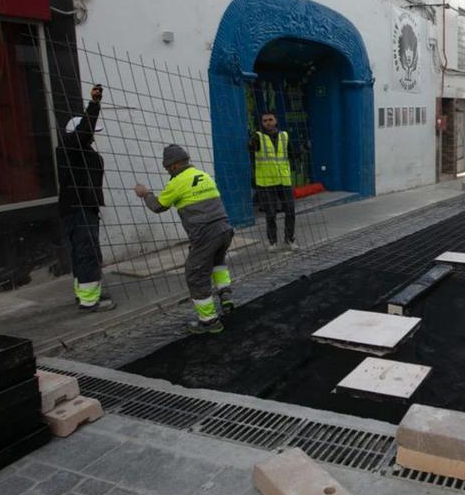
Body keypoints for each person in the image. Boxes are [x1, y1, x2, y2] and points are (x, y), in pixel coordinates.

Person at [134, 145, 234, 334]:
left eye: (167, 168)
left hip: (206, 234)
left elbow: (158, 206)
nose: (167, 172)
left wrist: (145, 193)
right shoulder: (203, 175)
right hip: (225, 230)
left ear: (172, 166)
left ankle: (209, 321)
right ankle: (226, 297)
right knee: (217, 262)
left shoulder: (178, 182)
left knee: (195, 274)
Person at [55, 84, 114, 312]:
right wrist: (94, 105)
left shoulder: (81, 151)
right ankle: (90, 301)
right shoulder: (70, 147)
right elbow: (83, 133)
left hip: (83, 207)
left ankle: (86, 294)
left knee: (82, 251)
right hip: (78, 208)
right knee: (87, 251)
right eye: (89, 134)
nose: (92, 138)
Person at [248, 111, 299, 251]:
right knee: (270, 213)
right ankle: (272, 242)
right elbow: (251, 150)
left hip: (284, 179)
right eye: (265, 120)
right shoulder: (257, 137)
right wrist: (251, 141)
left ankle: (289, 239)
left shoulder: (284, 135)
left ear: (276, 121)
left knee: (290, 210)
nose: (268, 122)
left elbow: (291, 154)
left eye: (270, 119)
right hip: (266, 182)